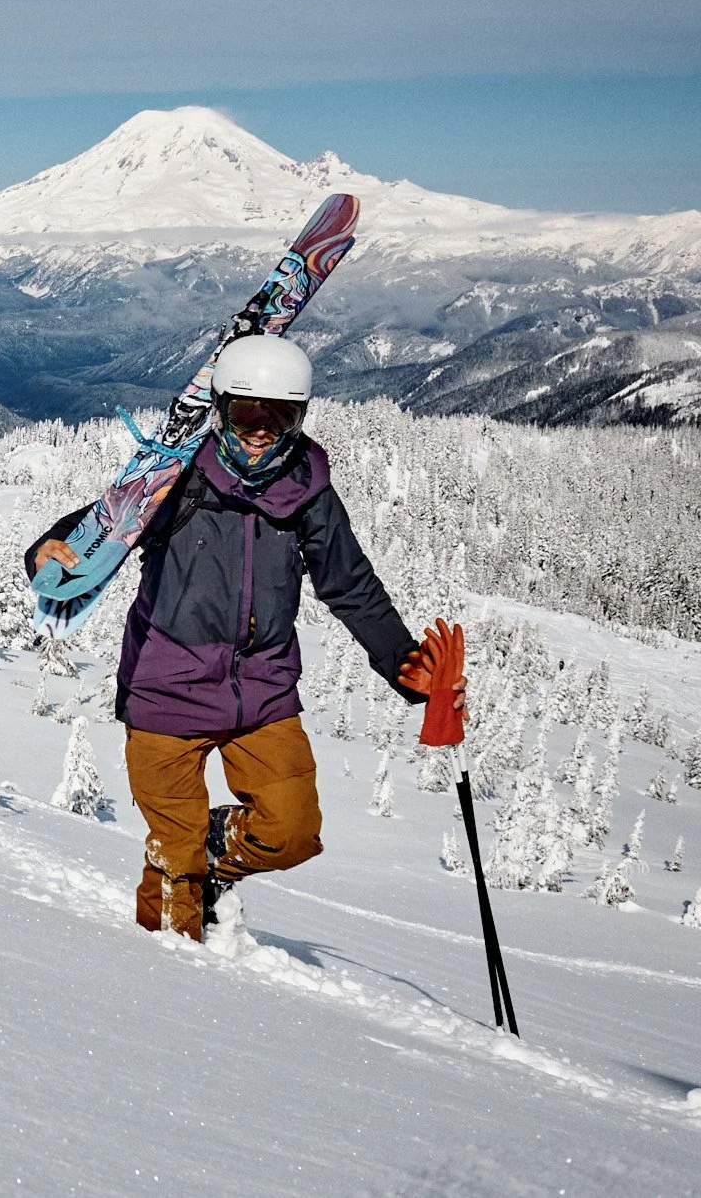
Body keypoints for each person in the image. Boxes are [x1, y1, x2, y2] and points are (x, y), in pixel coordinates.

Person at [28, 336, 459, 940]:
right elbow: (104, 526)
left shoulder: (308, 491)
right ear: (223, 409)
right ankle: (170, 968)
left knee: (292, 832)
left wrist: (402, 663)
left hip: (263, 691)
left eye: (279, 415)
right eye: (248, 413)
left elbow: (351, 585)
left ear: (300, 418)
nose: (262, 431)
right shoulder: (174, 477)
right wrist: (49, 550)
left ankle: (203, 845)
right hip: (165, 690)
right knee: (176, 899)